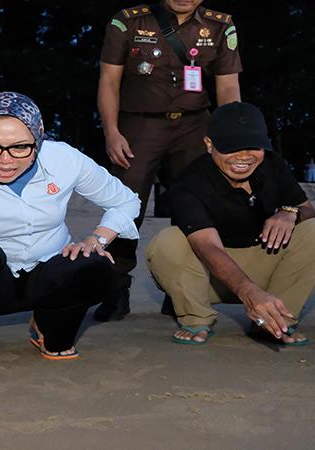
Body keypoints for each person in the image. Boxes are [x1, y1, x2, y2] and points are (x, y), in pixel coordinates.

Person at [0, 92, 140, 369]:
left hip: (49, 274)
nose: (5, 160)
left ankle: (49, 325)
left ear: (38, 138)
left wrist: (96, 238)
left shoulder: (65, 159)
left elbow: (126, 200)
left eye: (20, 147)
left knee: (95, 265)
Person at [145, 102, 315, 345]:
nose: (243, 156)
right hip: (210, 276)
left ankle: (277, 321)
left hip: (265, 267)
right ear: (210, 145)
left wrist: (289, 213)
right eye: (231, 147)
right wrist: (249, 293)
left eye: (253, 146)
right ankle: (197, 318)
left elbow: (307, 210)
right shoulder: (188, 183)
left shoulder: (273, 164)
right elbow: (209, 247)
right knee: (168, 241)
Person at [96, 0, 242, 321]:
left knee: (194, 210)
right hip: (138, 126)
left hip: (195, 126)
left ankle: (180, 291)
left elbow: (229, 86)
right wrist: (111, 131)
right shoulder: (127, 22)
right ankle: (115, 290)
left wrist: (229, 136)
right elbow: (109, 80)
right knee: (124, 208)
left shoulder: (220, 25)